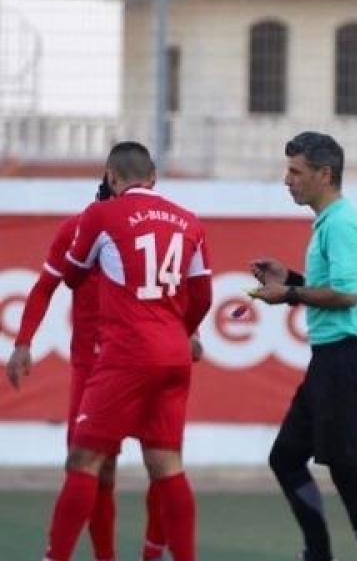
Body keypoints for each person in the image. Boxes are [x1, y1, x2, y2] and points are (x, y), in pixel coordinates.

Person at [40, 141, 212, 561]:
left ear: (111, 177)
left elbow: (73, 276)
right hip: (174, 356)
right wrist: (182, 331)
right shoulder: (189, 221)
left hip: (126, 354)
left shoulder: (102, 214)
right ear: (153, 177)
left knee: (84, 460)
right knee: (166, 464)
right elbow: (203, 297)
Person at [6, 174, 190, 561]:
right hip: (94, 365)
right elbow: (45, 285)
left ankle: (152, 551)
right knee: (102, 467)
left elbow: (174, 290)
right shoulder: (80, 227)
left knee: (156, 462)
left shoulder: (150, 230)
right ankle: (109, 556)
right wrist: (23, 342)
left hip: (133, 358)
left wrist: (190, 331)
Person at [250, 131, 357, 561]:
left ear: (324, 174)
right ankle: (318, 553)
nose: (287, 180)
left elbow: (347, 294)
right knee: (286, 458)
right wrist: (290, 279)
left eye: (296, 171)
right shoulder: (332, 221)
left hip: (345, 361)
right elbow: (338, 288)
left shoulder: (341, 222)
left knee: (350, 478)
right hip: (330, 361)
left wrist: (288, 294)